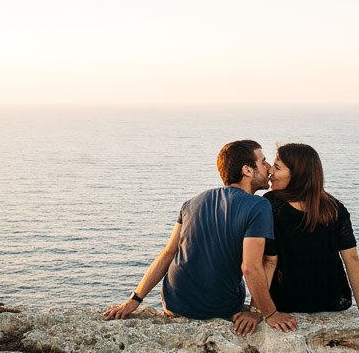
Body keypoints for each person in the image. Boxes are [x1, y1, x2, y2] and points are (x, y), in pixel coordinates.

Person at [103, 139, 297, 336]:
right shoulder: (258, 206)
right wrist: (268, 313)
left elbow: (168, 252)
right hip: (219, 308)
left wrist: (134, 299)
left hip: (174, 303)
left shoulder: (191, 202)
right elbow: (251, 267)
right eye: (263, 162)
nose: (269, 167)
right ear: (247, 170)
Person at [263, 143, 359, 327]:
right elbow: (351, 258)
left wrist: (258, 310)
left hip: (286, 302)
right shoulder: (334, 208)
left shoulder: (271, 205)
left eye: (277, 167)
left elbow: (269, 262)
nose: (270, 172)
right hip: (331, 301)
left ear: (297, 174)